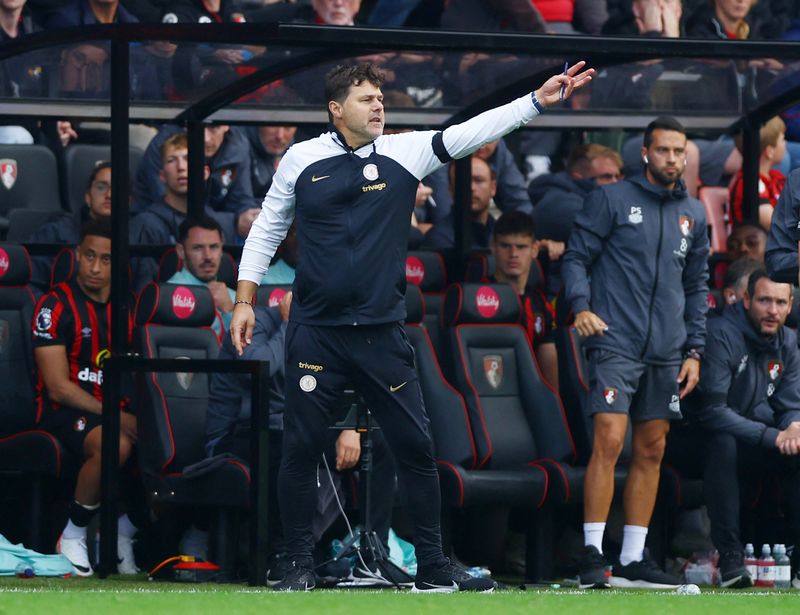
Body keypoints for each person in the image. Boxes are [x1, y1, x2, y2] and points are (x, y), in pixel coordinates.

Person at [230, 61, 594, 592]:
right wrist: (245, 300)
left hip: (381, 332)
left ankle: (433, 566)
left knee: (416, 448)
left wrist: (535, 101)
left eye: (381, 97)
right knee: (300, 449)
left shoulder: (406, 151)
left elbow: (474, 132)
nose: (378, 105)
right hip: (316, 331)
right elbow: (267, 228)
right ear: (336, 109)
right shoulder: (300, 158)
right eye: (365, 98)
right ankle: (296, 564)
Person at [562, 116, 709, 588]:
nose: (672, 158)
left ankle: (631, 555)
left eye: (678, 151)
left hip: (668, 351)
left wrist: (695, 349)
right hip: (615, 342)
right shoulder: (610, 199)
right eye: (663, 150)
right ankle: (591, 553)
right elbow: (576, 257)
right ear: (644, 154)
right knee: (608, 442)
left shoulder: (695, 213)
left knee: (653, 449)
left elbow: (696, 285)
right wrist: (580, 307)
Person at [207, 292, 399, 586]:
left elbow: (346, 379)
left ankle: (372, 559)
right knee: (286, 443)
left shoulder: (320, 332)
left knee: (380, 442)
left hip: (295, 426)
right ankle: (284, 557)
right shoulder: (253, 321)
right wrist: (288, 325)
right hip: (241, 431)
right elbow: (259, 370)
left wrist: (351, 428)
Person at [32, 217, 138, 577]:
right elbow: (58, 386)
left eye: (106, 259)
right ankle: (73, 533)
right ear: (77, 254)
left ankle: (123, 528)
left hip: (115, 411)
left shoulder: (129, 308)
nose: (95, 267)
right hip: (63, 412)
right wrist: (115, 416)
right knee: (116, 444)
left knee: (171, 442)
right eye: (89, 256)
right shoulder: (54, 306)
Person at [686, 270, 800, 587]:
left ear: (791, 305)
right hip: (695, 440)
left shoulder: (788, 341)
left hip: (747, 439)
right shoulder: (721, 333)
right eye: (764, 300)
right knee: (721, 441)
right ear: (747, 300)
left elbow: (790, 403)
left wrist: (794, 427)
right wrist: (772, 436)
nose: (772, 311)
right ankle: (731, 557)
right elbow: (713, 412)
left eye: (780, 302)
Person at [130, 131, 253, 291]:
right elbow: (143, 292)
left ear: (206, 172)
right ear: (161, 175)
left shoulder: (225, 224)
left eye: (188, 159)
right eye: (171, 160)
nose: (181, 167)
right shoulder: (145, 225)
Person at [490, 211, 558, 389]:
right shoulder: (480, 300)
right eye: (505, 246)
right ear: (493, 247)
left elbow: (549, 374)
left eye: (521, 247)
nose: (513, 254)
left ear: (534, 250)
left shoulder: (541, 304)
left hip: (532, 391)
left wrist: (553, 407)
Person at [26, 161, 112, 295]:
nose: (109, 195)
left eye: (117, 189)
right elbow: (31, 287)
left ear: (129, 201)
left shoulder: (136, 236)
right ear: (88, 197)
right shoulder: (55, 233)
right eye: (101, 187)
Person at [167, 216, 236, 341]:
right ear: (181, 251)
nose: (208, 256)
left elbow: (250, 351)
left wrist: (228, 310)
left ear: (222, 249)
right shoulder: (169, 295)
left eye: (214, 247)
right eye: (198, 248)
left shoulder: (234, 297)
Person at [729, 116, 787, 228]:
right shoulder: (748, 183)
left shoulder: (777, 178)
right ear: (770, 151)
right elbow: (778, 227)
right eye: (783, 139)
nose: (786, 143)